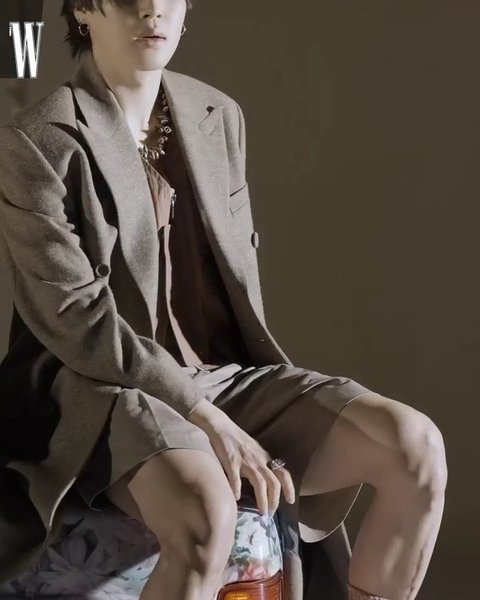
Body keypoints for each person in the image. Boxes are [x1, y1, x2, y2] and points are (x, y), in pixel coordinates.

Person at [0, 1, 447, 600]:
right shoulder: (38, 139)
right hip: (103, 388)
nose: (152, 10)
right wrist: (205, 418)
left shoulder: (216, 114)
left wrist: (221, 402)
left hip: (224, 376)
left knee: (414, 447)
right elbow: (74, 319)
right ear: (84, 9)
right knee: (205, 509)